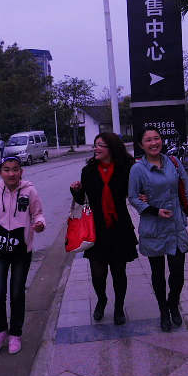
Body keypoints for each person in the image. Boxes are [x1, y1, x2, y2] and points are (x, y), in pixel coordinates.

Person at [128, 126, 188, 332]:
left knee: (178, 272)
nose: (154, 143)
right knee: (158, 274)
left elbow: (186, 186)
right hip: (154, 227)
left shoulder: (173, 162)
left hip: (175, 225)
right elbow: (133, 197)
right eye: (148, 140)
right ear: (141, 145)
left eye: (156, 138)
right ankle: (163, 310)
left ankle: (173, 303)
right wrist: (153, 210)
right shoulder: (137, 169)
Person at [0, 156, 45, 354]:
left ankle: (15, 334)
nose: (11, 173)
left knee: (17, 293)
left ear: (21, 172)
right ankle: (0, 331)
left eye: (15, 169)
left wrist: (40, 224)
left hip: (21, 250)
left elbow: (38, 213)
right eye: (6, 169)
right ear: (0, 172)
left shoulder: (30, 191)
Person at [70, 132, 138, 325]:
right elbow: (82, 200)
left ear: (111, 148)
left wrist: (144, 196)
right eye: (95, 145)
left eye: (100, 145)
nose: (96, 148)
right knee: (97, 273)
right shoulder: (88, 171)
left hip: (119, 226)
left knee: (119, 271)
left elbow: (134, 192)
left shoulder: (126, 168)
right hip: (97, 227)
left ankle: (119, 307)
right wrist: (76, 191)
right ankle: (102, 299)